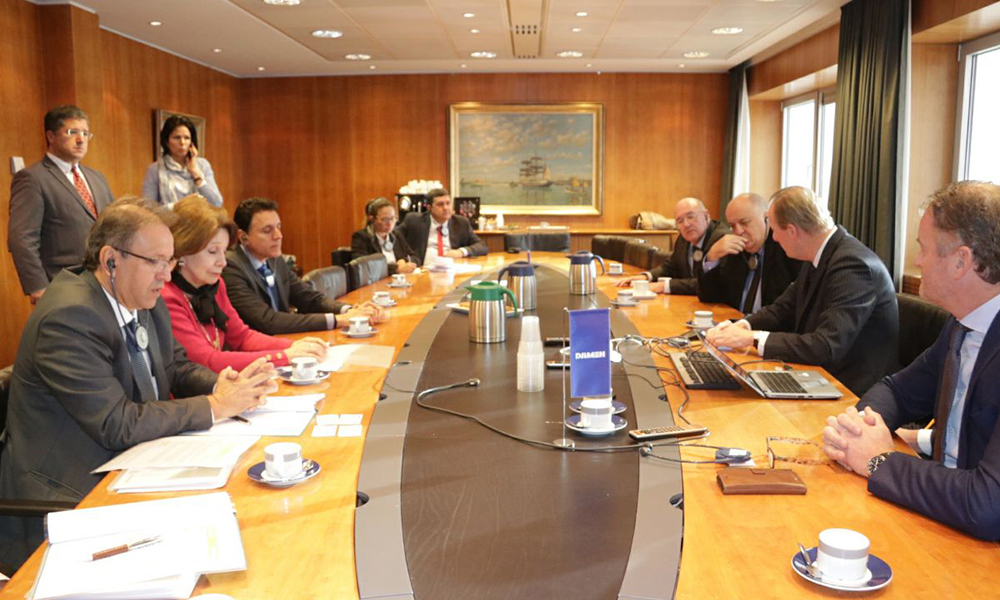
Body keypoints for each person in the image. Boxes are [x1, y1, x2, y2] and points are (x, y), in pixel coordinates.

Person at [0, 198, 275, 572]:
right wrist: (215, 406)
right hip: (68, 497)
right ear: (111, 260)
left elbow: (175, 368)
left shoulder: (142, 298)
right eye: (156, 262)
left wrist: (223, 385)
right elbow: (116, 422)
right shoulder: (69, 316)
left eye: (170, 261)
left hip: (135, 466)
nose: (166, 275)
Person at [822, 181, 1000, 540]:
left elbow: (988, 505)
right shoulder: (960, 324)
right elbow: (897, 391)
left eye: (924, 249)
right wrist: (861, 429)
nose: (917, 261)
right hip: (942, 518)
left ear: (961, 261)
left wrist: (879, 462)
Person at [706, 187, 898, 395]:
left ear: (792, 231)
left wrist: (751, 338)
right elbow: (783, 308)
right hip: (821, 377)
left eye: (775, 230)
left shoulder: (852, 265)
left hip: (850, 389)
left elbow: (826, 346)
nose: (774, 238)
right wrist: (743, 325)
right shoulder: (821, 254)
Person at [163, 195, 328, 372]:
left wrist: (294, 346)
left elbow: (242, 337)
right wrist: (284, 356)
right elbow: (208, 361)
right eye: (212, 251)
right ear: (182, 251)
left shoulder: (215, 286)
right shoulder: (167, 297)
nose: (222, 262)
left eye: (224, 251)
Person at [223, 197, 386, 335]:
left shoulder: (275, 260)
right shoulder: (231, 268)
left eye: (278, 227)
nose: (278, 236)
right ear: (243, 237)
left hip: (285, 341)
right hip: (257, 352)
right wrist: (337, 320)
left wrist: (348, 310)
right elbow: (267, 321)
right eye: (267, 230)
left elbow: (308, 297)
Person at [8, 105, 114, 304]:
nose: (81, 139)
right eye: (72, 132)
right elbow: (22, 238)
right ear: (51, 136)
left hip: (106, 282)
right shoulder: (32, 178)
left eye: (85, 133)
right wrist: (37, 287)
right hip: (61, 285)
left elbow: (113, 226)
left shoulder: (97, 178)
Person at [697, 192, 802, 314]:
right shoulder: (734, 249)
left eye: (744, 222)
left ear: (767, 219)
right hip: (735, 321)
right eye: (732, 226)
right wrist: (711, 257)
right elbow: (709, 297)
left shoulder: (785, 249)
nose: (738, 231)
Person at [615, 197, 727, 294]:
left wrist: (664, 286)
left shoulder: (721, 240)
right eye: (680, 221)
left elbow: (709, 283)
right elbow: (671, 267)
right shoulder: (684, 238)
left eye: (691, 217)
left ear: (706, 215)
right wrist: (645, 277)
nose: (686, 224)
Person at [141, 114, 223, 207]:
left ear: (192, 142)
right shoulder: (155, 169)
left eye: (186, 138)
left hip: (201, 217)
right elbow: (148, 208)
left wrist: (195, 173)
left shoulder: (202, 165)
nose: (182, 142)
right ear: (166, 141)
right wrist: (179, 205)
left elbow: (217, 203)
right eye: (177, 138)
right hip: (168, 217)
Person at [396, 188, 487, 266]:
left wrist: (461, 252)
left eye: (448, 203)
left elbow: (482, 246)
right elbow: (394, 237)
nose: (446, 208)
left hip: (452, 270)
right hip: (423, 270)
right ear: (429, 208)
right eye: (440, 204)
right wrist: (402, 258)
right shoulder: (414, 221)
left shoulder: (461, 223)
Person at [350, 197, 418, 275]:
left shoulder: (396, 235)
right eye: (385, 220)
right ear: (372, 219)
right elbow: (363, 266)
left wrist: (404, 261)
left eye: (392, 218)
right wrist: (396, 268)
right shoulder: (361, 237)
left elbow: (414, 257)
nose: (390, 223)